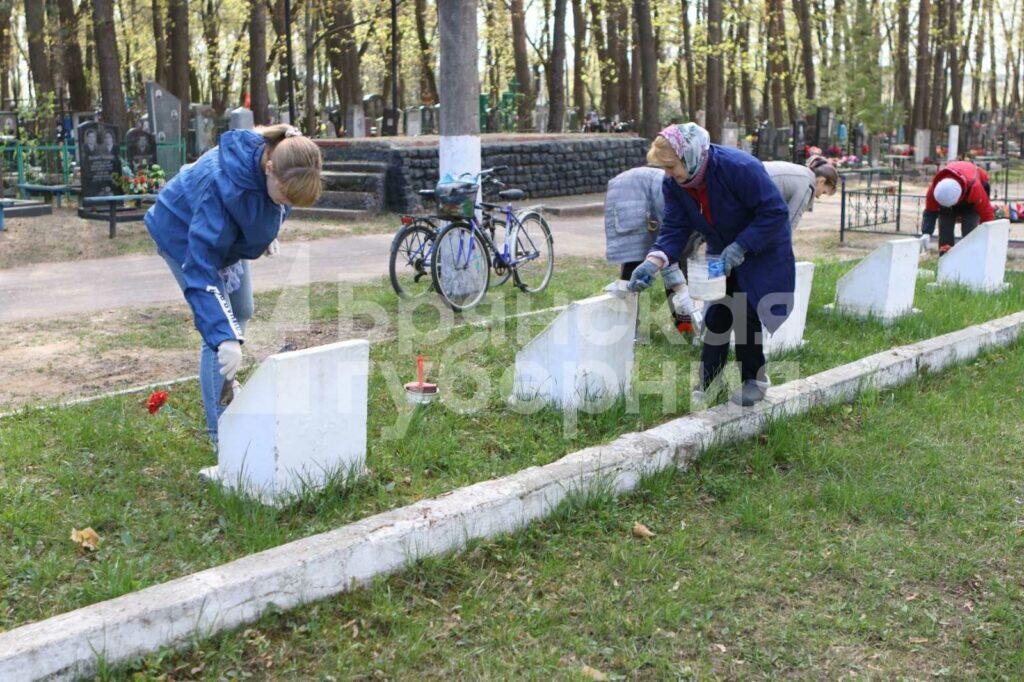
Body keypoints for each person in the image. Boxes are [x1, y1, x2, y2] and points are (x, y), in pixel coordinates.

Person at [145, 124, 322, 443]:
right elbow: (200, 268)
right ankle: (221, 432)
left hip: (226, 236)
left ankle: (227, 378)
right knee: (219, 335)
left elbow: (276, 204)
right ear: (269, 168)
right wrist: (224, 337)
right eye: (283, 195)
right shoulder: (221, 185)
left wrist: (267, 232)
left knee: (242, 309)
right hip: (182, 234)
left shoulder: (287, 159)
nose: (285, 204)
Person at [627, 123, 795, 407]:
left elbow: (775, 212)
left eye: (671, 166)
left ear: (690, 155)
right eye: (665, 168)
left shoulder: (739, 167)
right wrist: (653, 261)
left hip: (761, 247)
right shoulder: (674, 184)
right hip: (720, 252)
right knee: (717, 312)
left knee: (746, 312)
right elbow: (675, 228)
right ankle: (709, 380)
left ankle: (754, 380)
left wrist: (742, 246)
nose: (668, 174)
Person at [604, 166, 700, 335]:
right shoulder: (676, 197)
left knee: (682, 265)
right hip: (631, 195)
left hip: (657, 199)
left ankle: (684, 326)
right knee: (634, 263)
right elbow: (668, 251)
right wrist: (678, 285)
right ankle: (628, 326)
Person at [920, 160, 995, 255]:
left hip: (970, 199)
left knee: (970, 231)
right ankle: (945, 261)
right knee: (945, 229)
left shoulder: (975, 188)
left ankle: (969, 259)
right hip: (955, 194)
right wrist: (926, 233)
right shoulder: (936, 189)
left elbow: (986, 213)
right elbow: (930, 211)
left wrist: (988, 234)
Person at [763, 155, 839, 230]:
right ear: (822, 181)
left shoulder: (802, 172)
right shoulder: (807, 187)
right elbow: (789, 225)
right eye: (823, 192)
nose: (818, 197)